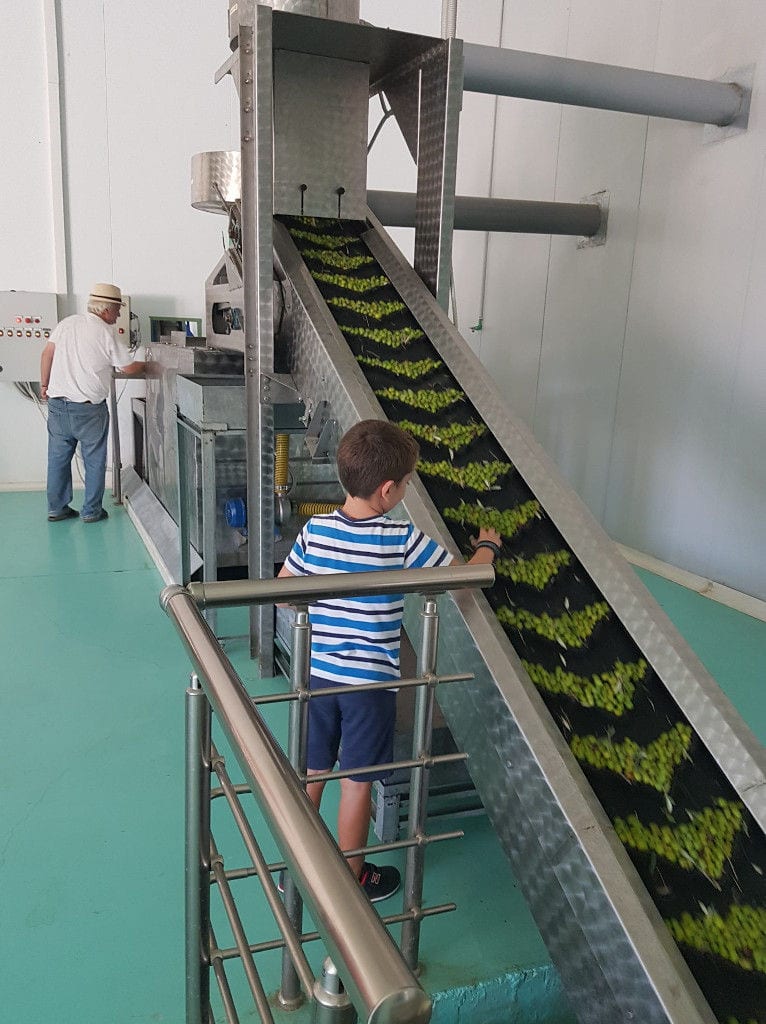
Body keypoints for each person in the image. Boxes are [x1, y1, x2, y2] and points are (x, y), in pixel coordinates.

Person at [278, 418, 502, 902]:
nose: (404, 491)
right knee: (357, 784)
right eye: (404, 485)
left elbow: (283, 590)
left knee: (314, 773)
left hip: (319, 679)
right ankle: (352, 877)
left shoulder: (315, 530)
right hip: (369, 690)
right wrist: (487, 546)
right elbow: (462, 580)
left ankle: (295, 865)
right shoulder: (398, 539)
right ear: (387, 490)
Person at [40, 283, 145, 523]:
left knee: (58, 459)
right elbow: (127, 368)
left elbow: (47, 354)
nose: (119, 315)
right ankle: (91, 511)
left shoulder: (66, 324)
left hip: (57, 405)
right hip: (89, 411)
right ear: (106, 309)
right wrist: (151, 366)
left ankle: (57, 508)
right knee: (94, 460)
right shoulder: (105, 333)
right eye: (117, 309)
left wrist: (44, 385)